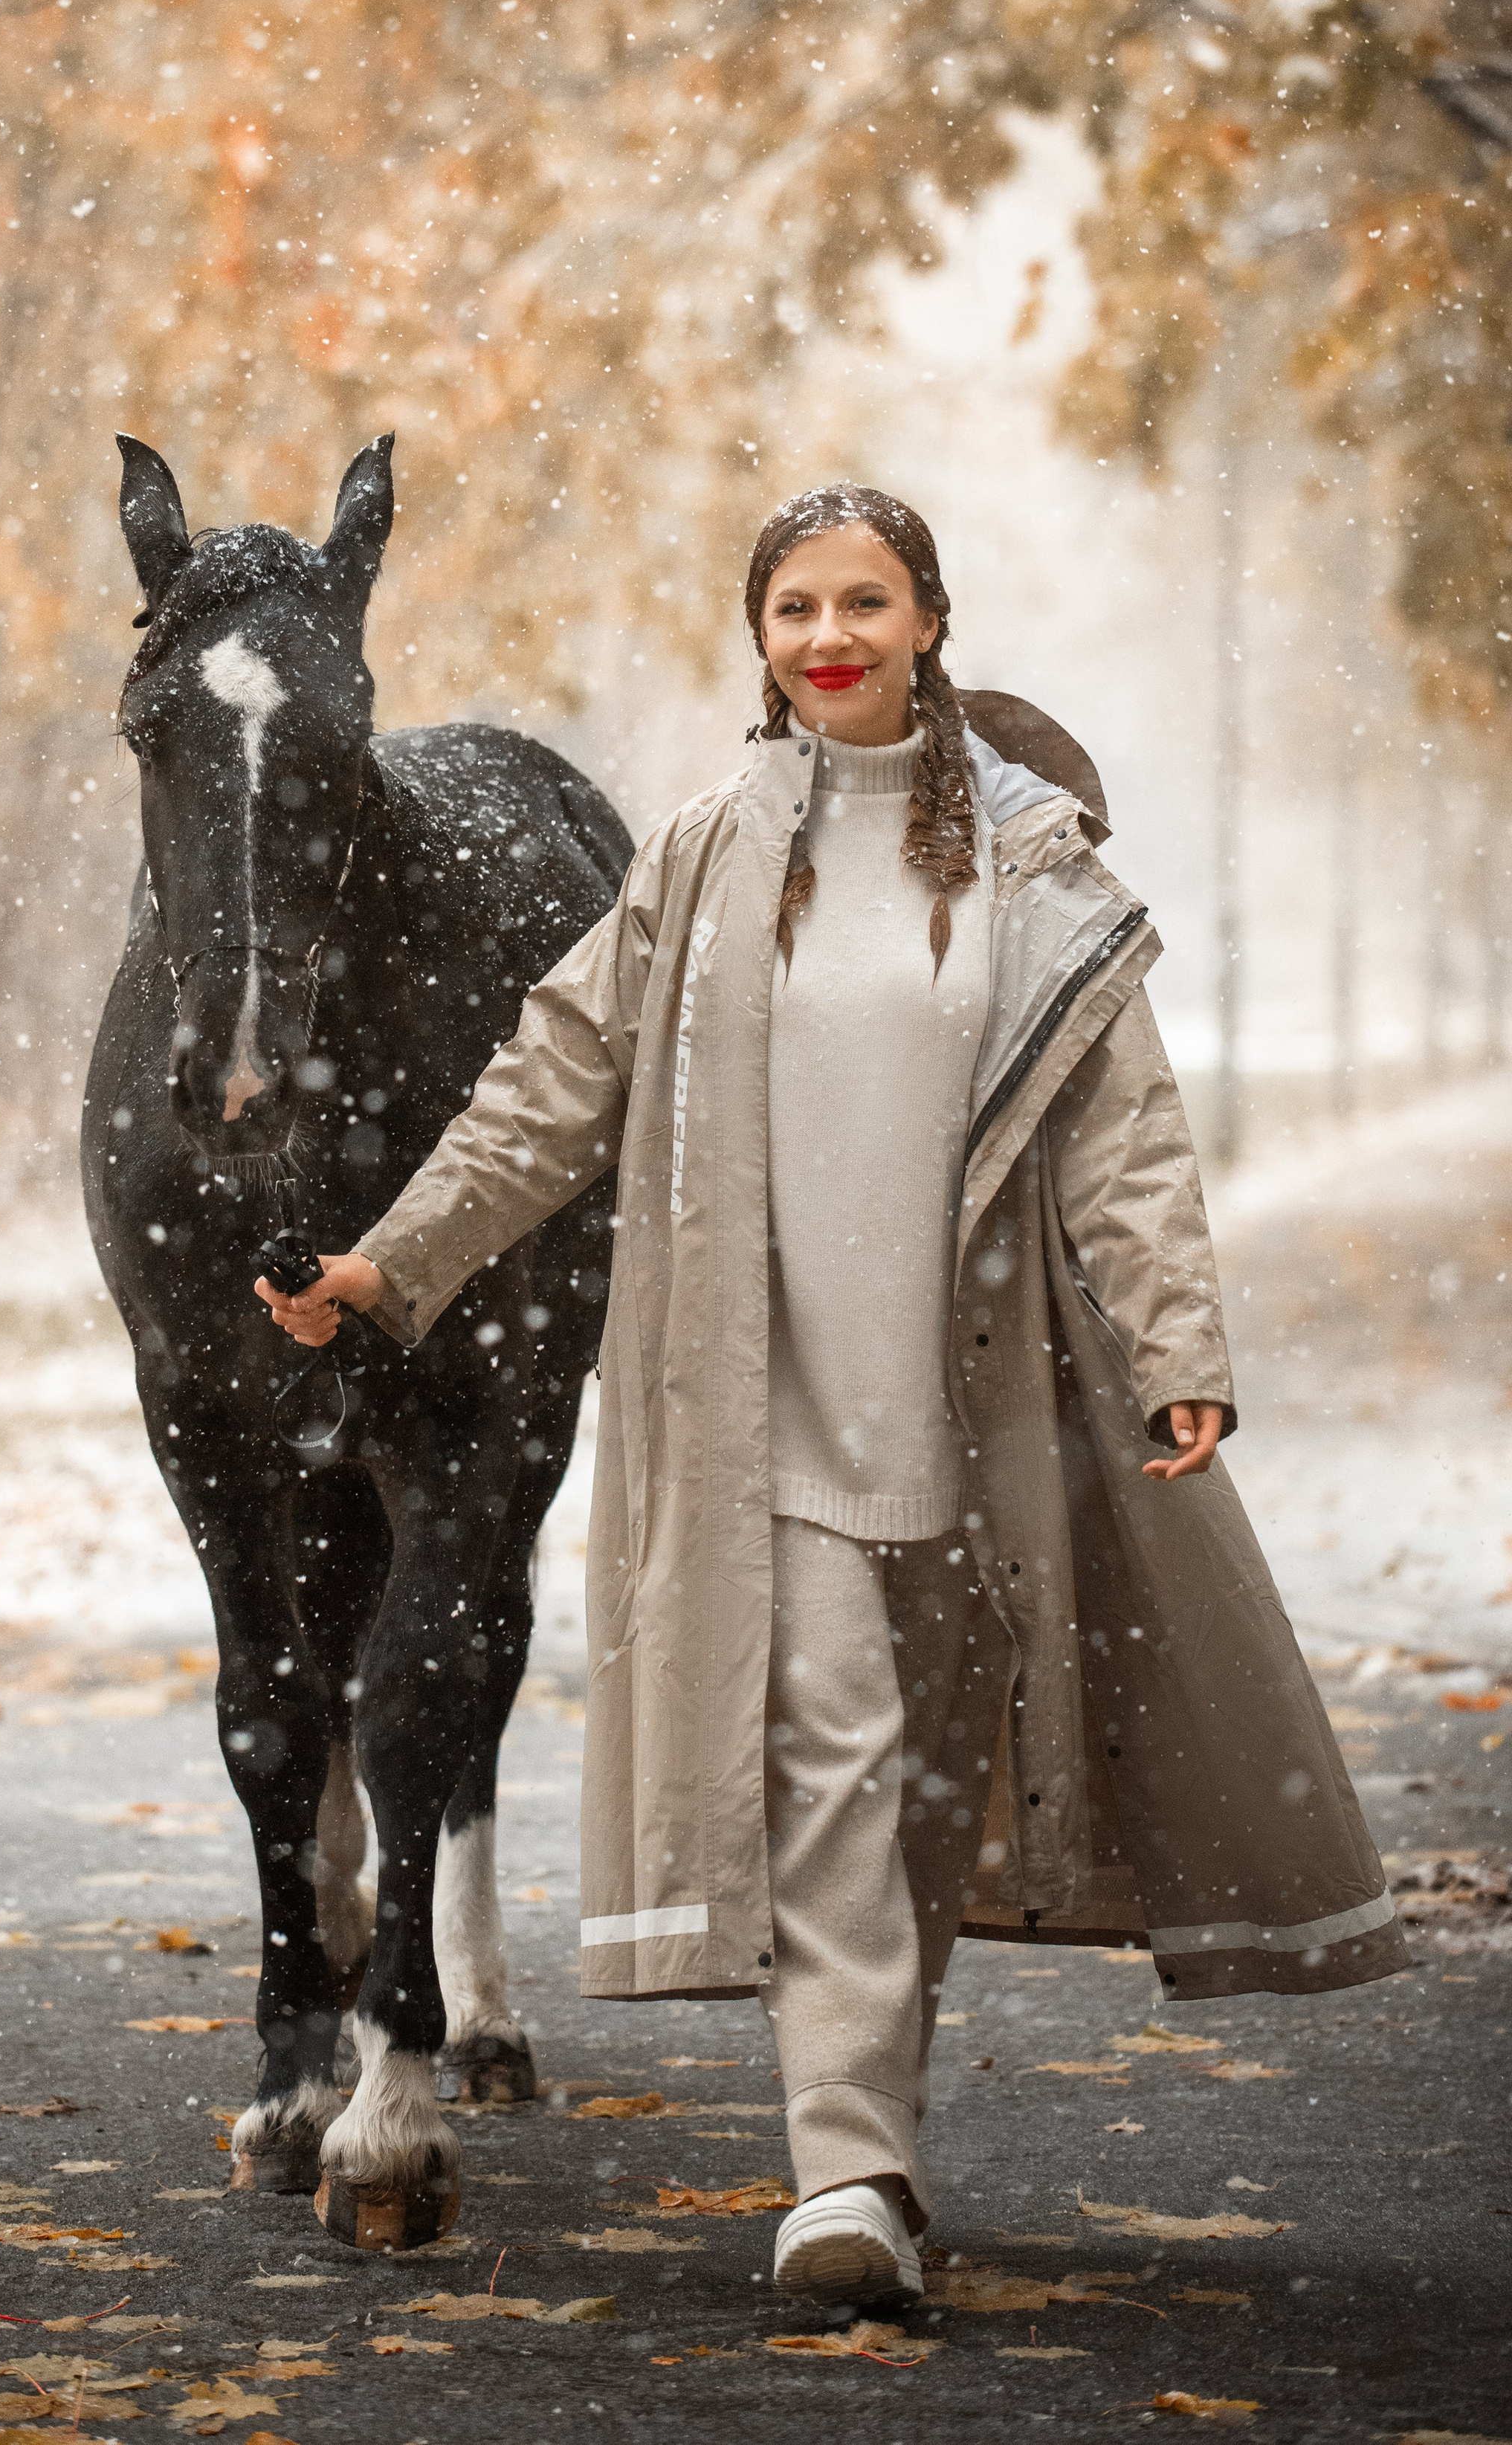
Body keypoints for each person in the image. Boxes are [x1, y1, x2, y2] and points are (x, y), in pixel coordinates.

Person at [254, 484, 1403, 2309]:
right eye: (792, 606)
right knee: (829, 1758)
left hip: (974, 1409)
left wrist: (1175, 1343)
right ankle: (846, 2179)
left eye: (861, 601)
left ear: (927, 622)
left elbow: (1123, 1138)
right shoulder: (705, 852)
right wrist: (393, 1264)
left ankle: (874, 2117)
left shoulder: (1029, 863)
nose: (826, 636)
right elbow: (550, 1082)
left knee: (924, 1796)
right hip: (757, 1410)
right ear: (760, 636)